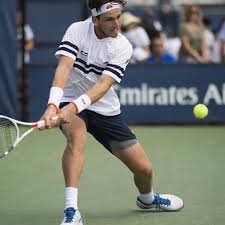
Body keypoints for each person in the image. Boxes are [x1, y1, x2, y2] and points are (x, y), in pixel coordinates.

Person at [41, 1, 184, 225]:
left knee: (144, 170)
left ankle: (147, 199)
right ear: (95, 19)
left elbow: (104, 85)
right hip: (69, 98)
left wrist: (75, 107)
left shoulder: (123, 46)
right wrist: (53, 105)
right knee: (76, 138)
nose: (117, 23)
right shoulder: (77, 30)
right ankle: (72, 211)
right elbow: (64, 67)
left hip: (103, 108)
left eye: (119, 17)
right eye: (110, 19)